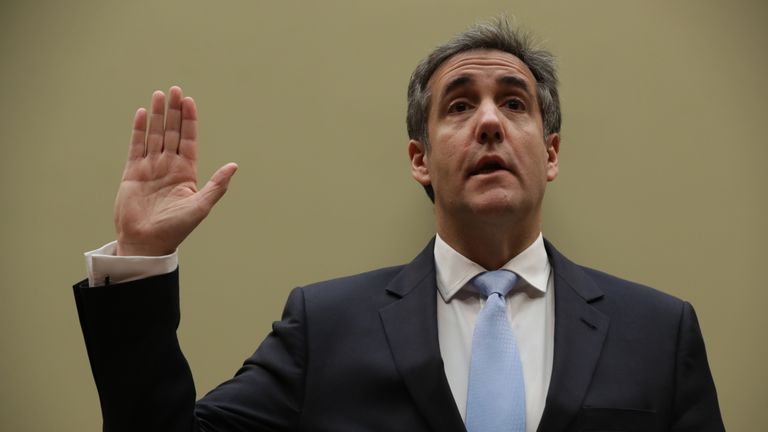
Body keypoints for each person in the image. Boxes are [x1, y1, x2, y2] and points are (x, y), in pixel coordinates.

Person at [73, 18, 725, 432]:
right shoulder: (324, 329)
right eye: (461, 104)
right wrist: (140, 260)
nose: (491, 122)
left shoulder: (659, 334)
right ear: (421, 159)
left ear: (550, 153)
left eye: (515, 104)